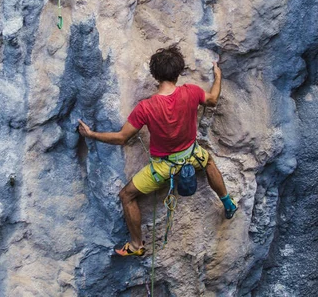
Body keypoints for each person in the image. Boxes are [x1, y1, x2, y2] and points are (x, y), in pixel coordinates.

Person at [77, 45, 237, 257]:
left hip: (164, 168)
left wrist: (91, 135)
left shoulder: (146, 107)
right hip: (192, 154)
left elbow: (121, 137)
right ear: (178, 72)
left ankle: (136, 245)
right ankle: (228, 203)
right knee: (207, 162)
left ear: (155, 75)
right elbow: (213, 99)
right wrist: (218, 77)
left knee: (126, 196)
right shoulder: (191, 92)